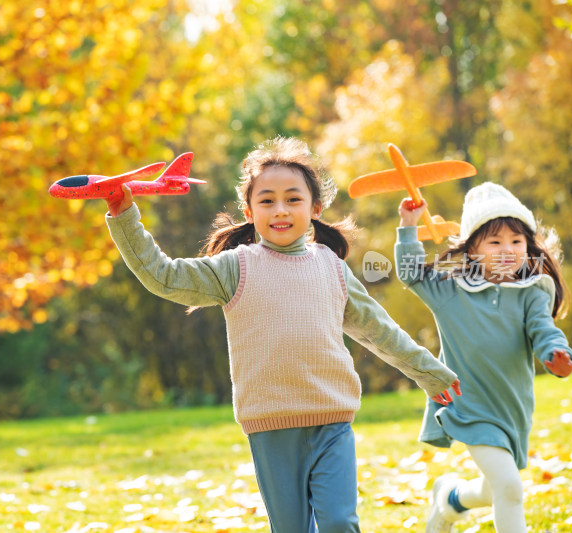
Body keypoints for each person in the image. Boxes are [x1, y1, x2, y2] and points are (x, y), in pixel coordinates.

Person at [103, 136, 460, 533]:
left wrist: (428, 371)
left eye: (293, 199)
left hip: (332, 422)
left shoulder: (333, 268)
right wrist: (124, 215)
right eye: (267, 200)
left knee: (341, 522)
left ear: (315, 208)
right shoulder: (234, 268)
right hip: (270, 427)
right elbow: (163, 276)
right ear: (249, 210)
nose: (281, 210)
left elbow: (380, 331)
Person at [395, 182, 572, 533]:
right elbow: (411, 272)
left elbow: (544, 331)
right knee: (509, 487)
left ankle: (449, 499)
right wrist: (408, 226)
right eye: (494, 242)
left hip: (511, 407)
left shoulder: (532, 292)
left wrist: (557, 354)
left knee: (495, 487)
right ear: (472, 249)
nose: (507, 250)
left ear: (528, 246)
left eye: (516, 241)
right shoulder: (451, 292)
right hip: (467, 405)